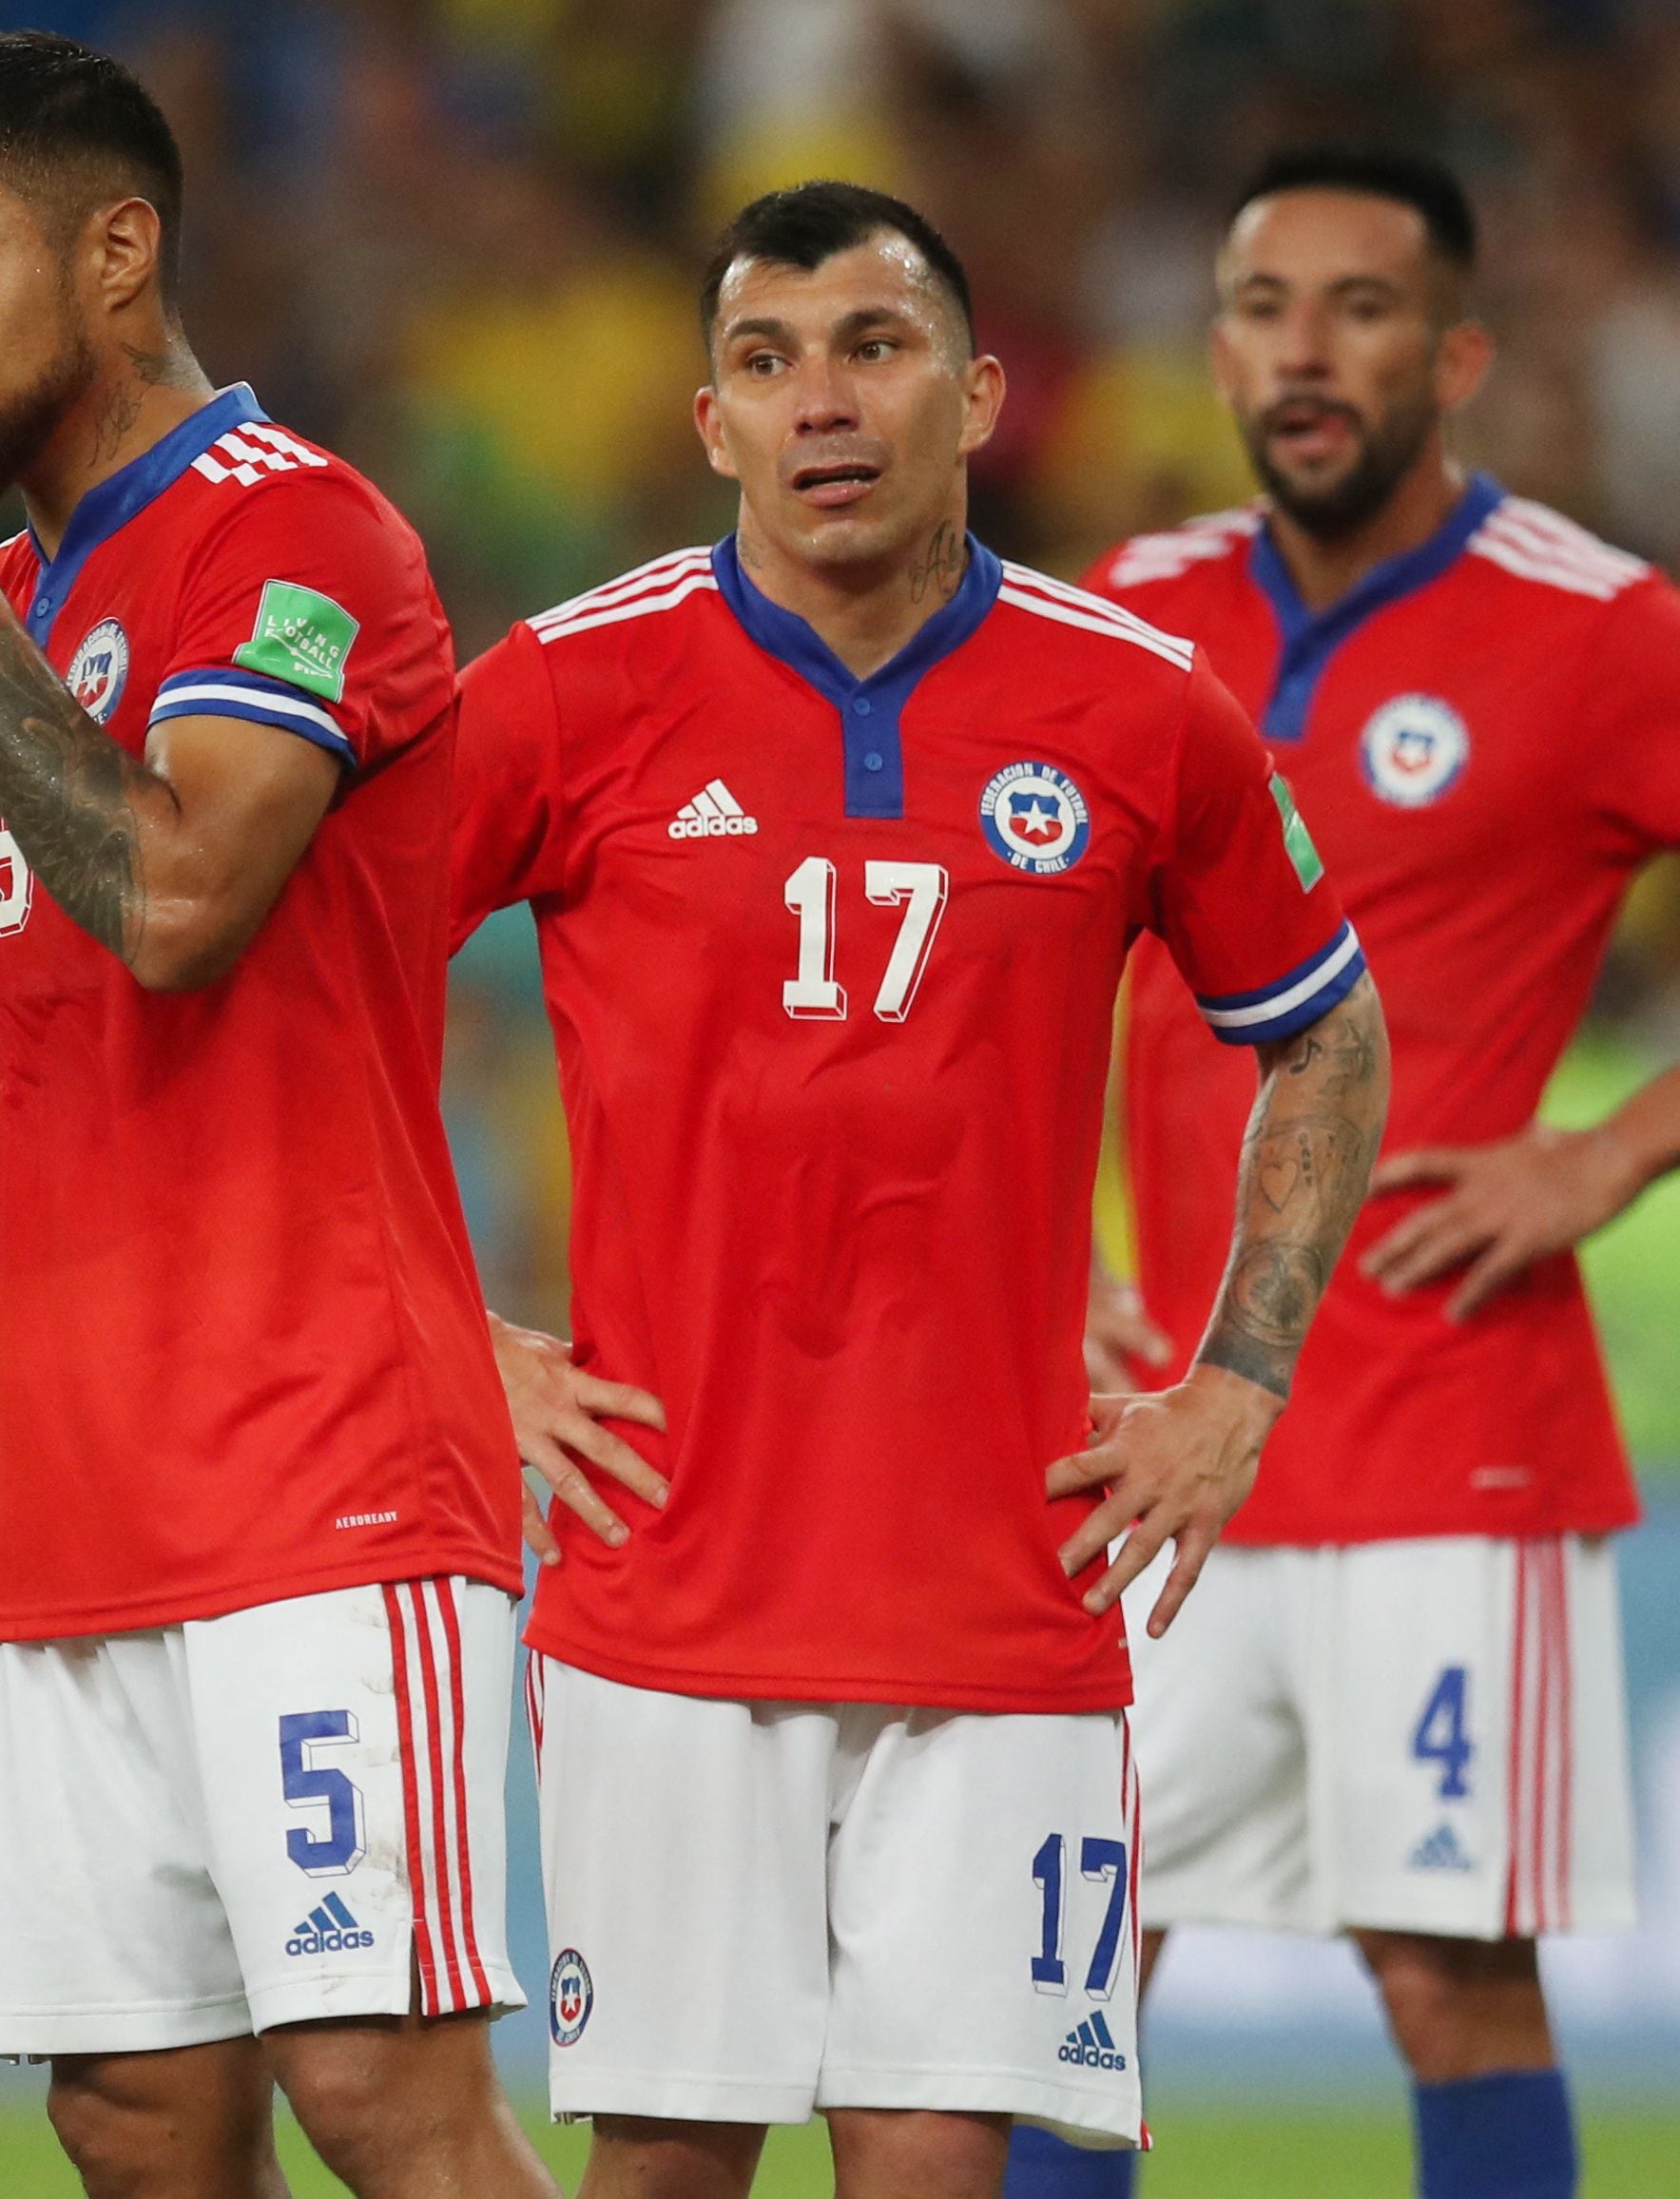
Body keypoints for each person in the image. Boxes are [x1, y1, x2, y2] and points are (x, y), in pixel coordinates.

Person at [997, 148, 1680, 2199]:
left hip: (1448, 1421)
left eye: (1359, 308)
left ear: (1453, 352)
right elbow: (1014, 953)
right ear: (1214, 351)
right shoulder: (1126, 614)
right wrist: (1047, 1255)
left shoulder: (1594, 626)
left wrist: (1609, 1149)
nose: (1305, 350)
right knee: (1061, 1966)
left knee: (1449, 1984)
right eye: (1266, 306)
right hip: (1158, 1434)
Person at [453, 182, 1392, 2199]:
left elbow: (1324, 1026)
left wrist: (1241, 1375)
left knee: (936, 2162)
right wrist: (450, 1341)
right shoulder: (562, 693)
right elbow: (289, 1008)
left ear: (974, 395)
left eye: (871, 351)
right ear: (708, 423)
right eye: (766, 363)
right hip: (663, 1574)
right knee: (669, 2166)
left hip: (1001, 1584)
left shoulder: (1134, 709)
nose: (822, 405)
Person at [0, 33, 545, 2199]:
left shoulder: (293, 536)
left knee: (383, 2102)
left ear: (116, 254)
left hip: (320, 1458)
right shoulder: (25, 627)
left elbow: (170, 905)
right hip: (89, 1486)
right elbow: (44, 1077)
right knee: (131, 2117)